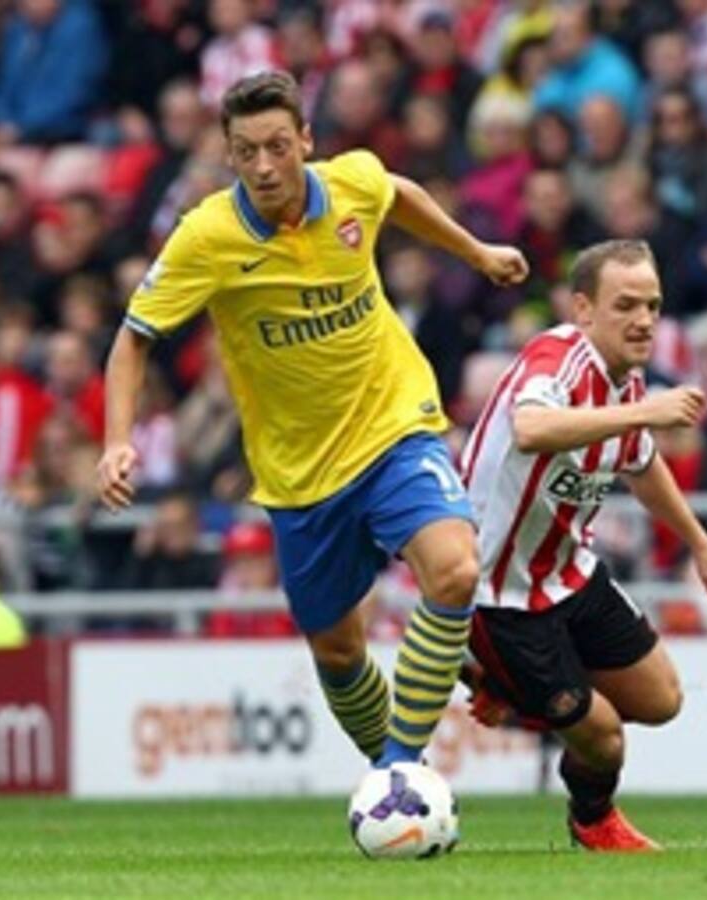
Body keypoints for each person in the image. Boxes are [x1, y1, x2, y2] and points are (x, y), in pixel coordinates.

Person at [97, 71, 528, 769]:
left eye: (276, 146)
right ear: (229, 156)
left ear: (305, 139)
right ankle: (410, 754)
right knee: (336, 648)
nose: (264, 166)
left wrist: (474, 253)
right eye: (246, 152)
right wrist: (117, 442)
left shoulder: (352, 181)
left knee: (453, 571)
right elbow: (132, 338)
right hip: (300, 472)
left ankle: (398, 779)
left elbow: (400, 195)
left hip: (394, 425)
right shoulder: (206, 238)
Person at [459, 240, 707, 851]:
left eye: (653, 305)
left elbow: (641, 464)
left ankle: (515, 691)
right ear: (583, 309)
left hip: (569, 574)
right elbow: (533, 429)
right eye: (626, 305)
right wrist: (644, 411)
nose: (643, 319)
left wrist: (701, 545)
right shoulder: (555, 360)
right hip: (499, 591)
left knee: (662, 699)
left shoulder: (626, 378)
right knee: (604, 736)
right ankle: (593, 821)